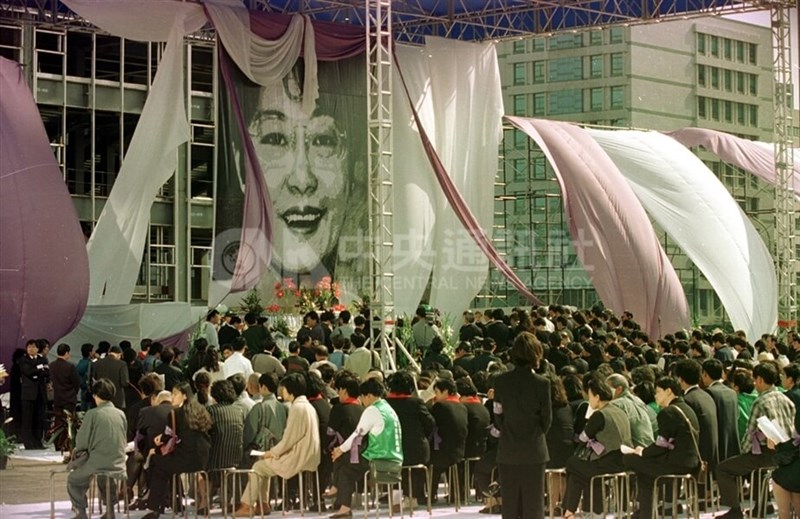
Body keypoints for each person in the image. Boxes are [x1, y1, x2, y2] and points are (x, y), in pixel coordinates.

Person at [215, 57, 368, 298]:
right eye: (275, 139)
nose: (302, 180)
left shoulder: (361, 297)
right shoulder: (217, 290)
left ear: (353, 166)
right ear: (241, 164)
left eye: (324, 140)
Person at [716, 362, 797, 519]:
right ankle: (763, 505)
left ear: (759, 380)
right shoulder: (786, 399)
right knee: (756, 469)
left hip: (767, 453)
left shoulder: (760, 402)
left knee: (723, 469)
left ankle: (734, 510)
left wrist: (742, 453)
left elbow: (750, 432)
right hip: (788, 452)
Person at [234, 373, 320, 517]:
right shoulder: (307, 406)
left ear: (290, 389)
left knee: (258, 466)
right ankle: (263, 503)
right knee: (264, 465)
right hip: (309, 454)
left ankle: (247, 505)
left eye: (284, 388)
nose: (281, 391)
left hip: (298, 456)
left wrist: (272, 452)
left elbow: (289, 439)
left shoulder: (297, 408)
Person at [623, 377, 701, 519]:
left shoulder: (668, 412)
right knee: (645, 472)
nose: (655, 395)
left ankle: (644, 513)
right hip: (690, 463)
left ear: (668, 391)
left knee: (632, 461)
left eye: (658, 391)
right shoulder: (687, 408)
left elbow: (661, 445)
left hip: (676, 464)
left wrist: (642, 452)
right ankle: (644, 513)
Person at [494, 331, 552, 519]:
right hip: (534, 449)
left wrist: (506, 429)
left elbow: (497, 415)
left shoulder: (501, 381)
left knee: (509, 505)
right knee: (534, 505)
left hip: (508, 449)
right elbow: (547, 420)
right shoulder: (542, 383)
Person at [329, 378, 403, 519]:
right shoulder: (388, 409)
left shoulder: (373, 410)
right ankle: (338, 493)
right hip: (395, 458)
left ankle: (342, 503)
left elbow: (357, 435)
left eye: (362, 397)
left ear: (368, 395)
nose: (362, 401)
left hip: (378, 458)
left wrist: (339, 449)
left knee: (345, 468)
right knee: (345, 461)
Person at [562, 374, 632, 519]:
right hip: (624, 460)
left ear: (597, 397)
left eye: (590, 396)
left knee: (572, 464)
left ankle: (569, 511)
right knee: (580, 475)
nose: (589, 399)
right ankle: (573, 512)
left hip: (608, 462)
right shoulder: (620, 411)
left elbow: (583, 438)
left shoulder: (600, 415)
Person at [142, 382, 213, 519]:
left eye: (175, 394)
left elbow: (169, 435)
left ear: (184, 396)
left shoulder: (175, 414)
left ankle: (155, 508)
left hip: (185, 458)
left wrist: (159, 441)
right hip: (203, 458)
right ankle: (199, 503)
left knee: (158, 465)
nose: (172, 397)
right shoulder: (201, 410)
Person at [67, 378, 127, 519]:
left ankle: (81, 512)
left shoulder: (92, 414)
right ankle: (110, 510)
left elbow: (82, 442)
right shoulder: (121, 413)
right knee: (106, 477)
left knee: (73, 480)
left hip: (98, 461)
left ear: (95, 395)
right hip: (118, 461)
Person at [386, 370, 435, 507]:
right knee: (417, 469)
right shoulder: (416, 403)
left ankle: (395, 499)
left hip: (393, 449)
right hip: (417, 448)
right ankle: (413, 497)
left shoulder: (385, 404)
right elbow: (430, 423)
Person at [202, 380, 246, 513]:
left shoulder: (210, 410)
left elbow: (204, 434)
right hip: (236, 457)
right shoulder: (239, 411)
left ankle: (204, 503)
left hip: (216, 459)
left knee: (201, 466)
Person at [429, 377, 468, 502]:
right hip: (459, 450)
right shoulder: (461, 406)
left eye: (437, 392)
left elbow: (431, 425)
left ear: (445, 391)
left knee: (433, 465)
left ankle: (431, 494)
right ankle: (456, 493)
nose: (435, 396)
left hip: (442, 449)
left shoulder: (440, 406)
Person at [48, 343, 81, 456]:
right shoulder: (70, 366)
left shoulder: (52, 365)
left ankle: (57, 444)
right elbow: (77, 382)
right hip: (69, 398)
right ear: (66, 353)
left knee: (58, 422)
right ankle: (67, 445)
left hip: (57, 397)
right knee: (69, 423)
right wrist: (73, 393)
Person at [19, 339, 48, 449]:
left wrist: (37, 370)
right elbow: (28, 372)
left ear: (37, 349)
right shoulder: (23, 360)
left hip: (40, 393)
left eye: (33, 347)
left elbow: (47, 372)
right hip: (28, 393)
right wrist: (38, 369)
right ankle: (28, 443)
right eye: (29, 347)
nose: (31, 349)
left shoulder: (42, 359)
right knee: (27, 419)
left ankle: (38, 442)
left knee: (39, 418)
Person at [92, 345, 130, 410]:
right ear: (119, 354)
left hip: (100, 398)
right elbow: (124, 382)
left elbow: (93, 379)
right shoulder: (122, 364)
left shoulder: (97, 363)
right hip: (117, 400)